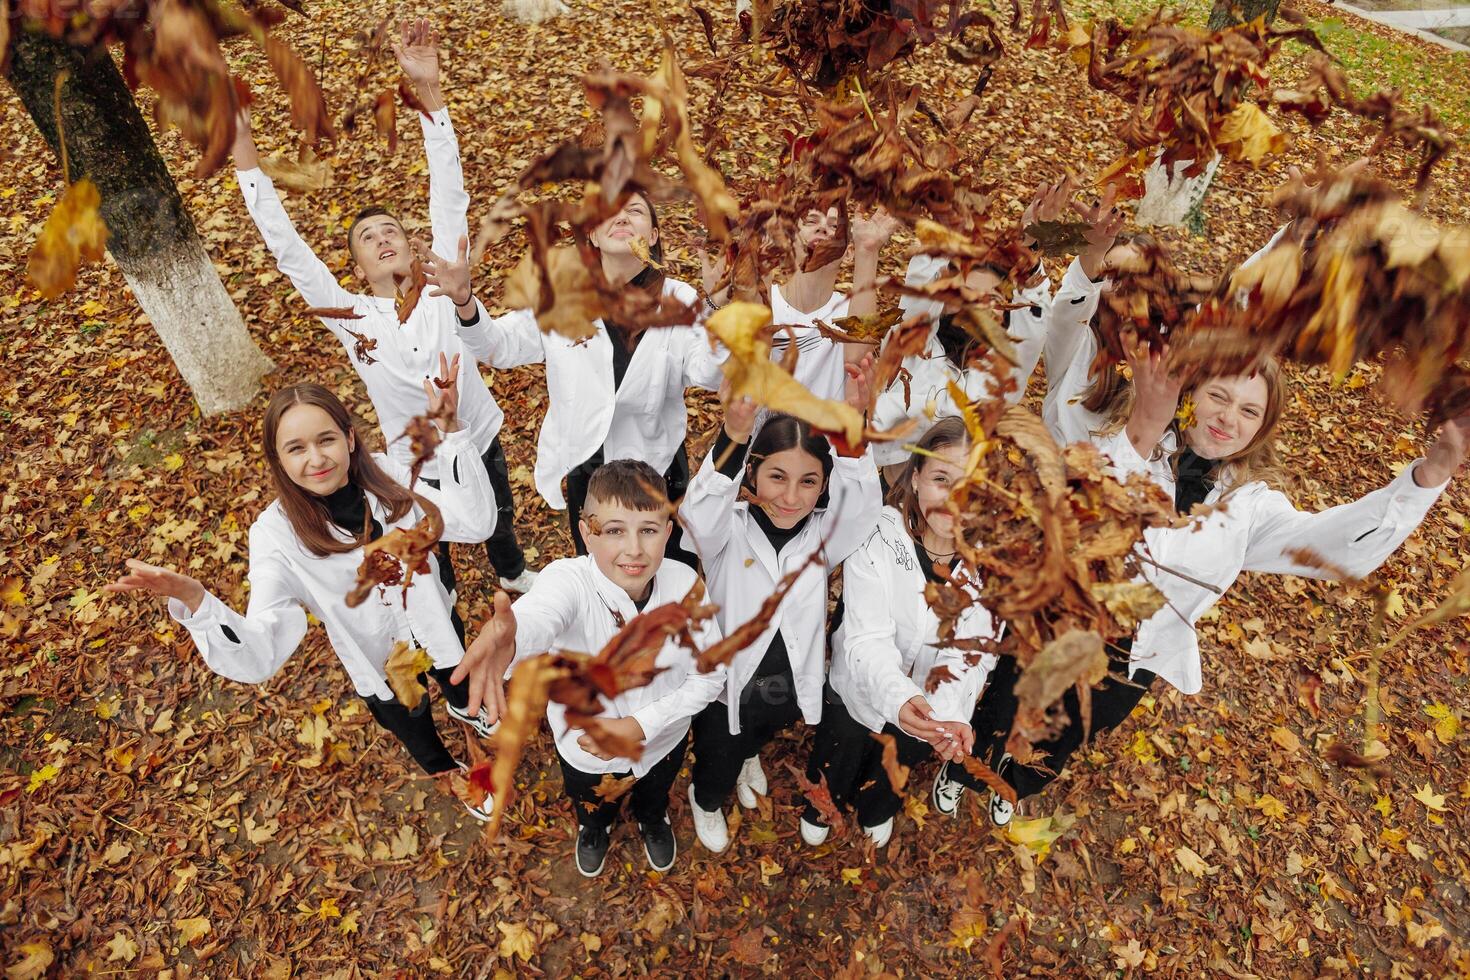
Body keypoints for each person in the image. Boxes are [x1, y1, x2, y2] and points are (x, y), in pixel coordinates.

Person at [935, 348, 1470, 825]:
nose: (1227, 419)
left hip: (1131, 659)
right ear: (1192, 393)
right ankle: (963, 769)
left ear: (1262, 427)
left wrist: (1432, 473)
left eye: (1249, 411)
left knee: (1069, 732)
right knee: (1006, 701)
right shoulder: (1116, 439)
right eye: (1220, 395)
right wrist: (1145, 425)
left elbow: (1338, 549)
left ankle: (1017, 782)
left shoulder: (1250, 507)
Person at [230, 18, 536, 595]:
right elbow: (288, 250)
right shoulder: (350, 317)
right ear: (356, 265)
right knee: (427, 544)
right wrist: (246, 155)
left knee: (496, 509)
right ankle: (440, 599)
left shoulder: (442, 284)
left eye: (390, 228)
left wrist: (429, 92)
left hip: (476, 429)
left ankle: (513, 571)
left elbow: (449, 195)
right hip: (411, 459)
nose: (382, 238)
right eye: (367, 236)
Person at [104, 374, 499, 820]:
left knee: (456, 667)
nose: (316, 459)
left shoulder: (390, 475)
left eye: (326, 439)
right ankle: (448, 771)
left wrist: (452, 431)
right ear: (278, 459)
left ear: (350, 438)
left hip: (433, 620)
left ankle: (467, 707)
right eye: (296, 448)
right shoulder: (275, 537)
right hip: (378, 658)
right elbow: (261, 648)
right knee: (411, 720)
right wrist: (198, 603)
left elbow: (476, 524)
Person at [457, 461, 725, 876]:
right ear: (586, 533)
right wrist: (512, 639)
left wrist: (641, 724)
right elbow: (542, 613)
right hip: (586, 753)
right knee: (592, 801)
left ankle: (652, 818)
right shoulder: (568, 582)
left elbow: (710, 675)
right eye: (614, 530)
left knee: (654, 790)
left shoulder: (686, 585)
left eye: (649, 530)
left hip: (663, 741)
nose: (633, 549)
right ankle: (593, 828)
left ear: (668, 532)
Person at [680, 367, 883, 853]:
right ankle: (705, 799)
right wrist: (732, 436)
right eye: (777, 477)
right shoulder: (726, 530)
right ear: (750, 472)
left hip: (788, 683)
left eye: (808, 481)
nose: (791, 497)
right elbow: (697, 518)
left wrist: (854, 431)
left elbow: (862, 509)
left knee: (762, 731)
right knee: (716, 753)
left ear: (822, 486)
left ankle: (750, 754)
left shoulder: (823, 538)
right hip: (726, 689)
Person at [470, 192, 724, 563]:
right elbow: (498, 346)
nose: (621, 216)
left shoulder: (678, 298)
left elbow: (710, 372)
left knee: (669, 572)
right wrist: (464, 302)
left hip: (658, 470)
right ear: (591, 235)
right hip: (588, 469)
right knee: (601, 575)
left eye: (635, 211)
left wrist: (717, 303)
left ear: (652, 236)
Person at [805, 418, 999, 846]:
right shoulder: (877, 534)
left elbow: (973, 651)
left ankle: (878, 809)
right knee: (841, 748)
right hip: (856, 688)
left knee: (898, 762)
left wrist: (944, 713)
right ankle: (824, 803)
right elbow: (866, 634)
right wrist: (899, 696)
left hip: (926, 711)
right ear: (915, 478)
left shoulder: (990, 568)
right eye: (941, 479)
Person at [707, 206, 899, 402]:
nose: (823, 228)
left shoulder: (853, 310)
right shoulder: (766, 298)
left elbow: (856, 357)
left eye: (834, 226)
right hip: (759, 429)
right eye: (811, 221)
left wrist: (867, 251)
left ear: (849, 252)